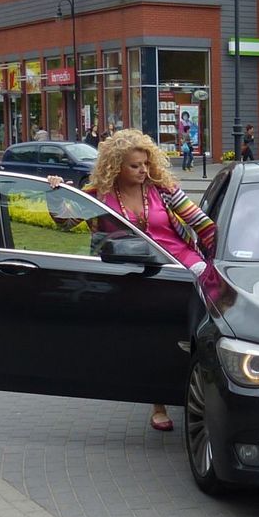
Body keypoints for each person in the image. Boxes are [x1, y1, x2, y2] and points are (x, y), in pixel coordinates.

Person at [46, 128, 216, 431]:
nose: (143, 171)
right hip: (132, 276)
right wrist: (56, 192)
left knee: (190, 335)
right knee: (150, 338)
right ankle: (158, 402)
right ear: (116, 166)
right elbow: (66, 221)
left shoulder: (164, 188)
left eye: (146, 164)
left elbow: (201, 223)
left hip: (181, 268)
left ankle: (200, 393)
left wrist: (224, 256)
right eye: (134, 165)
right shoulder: (99, 195)